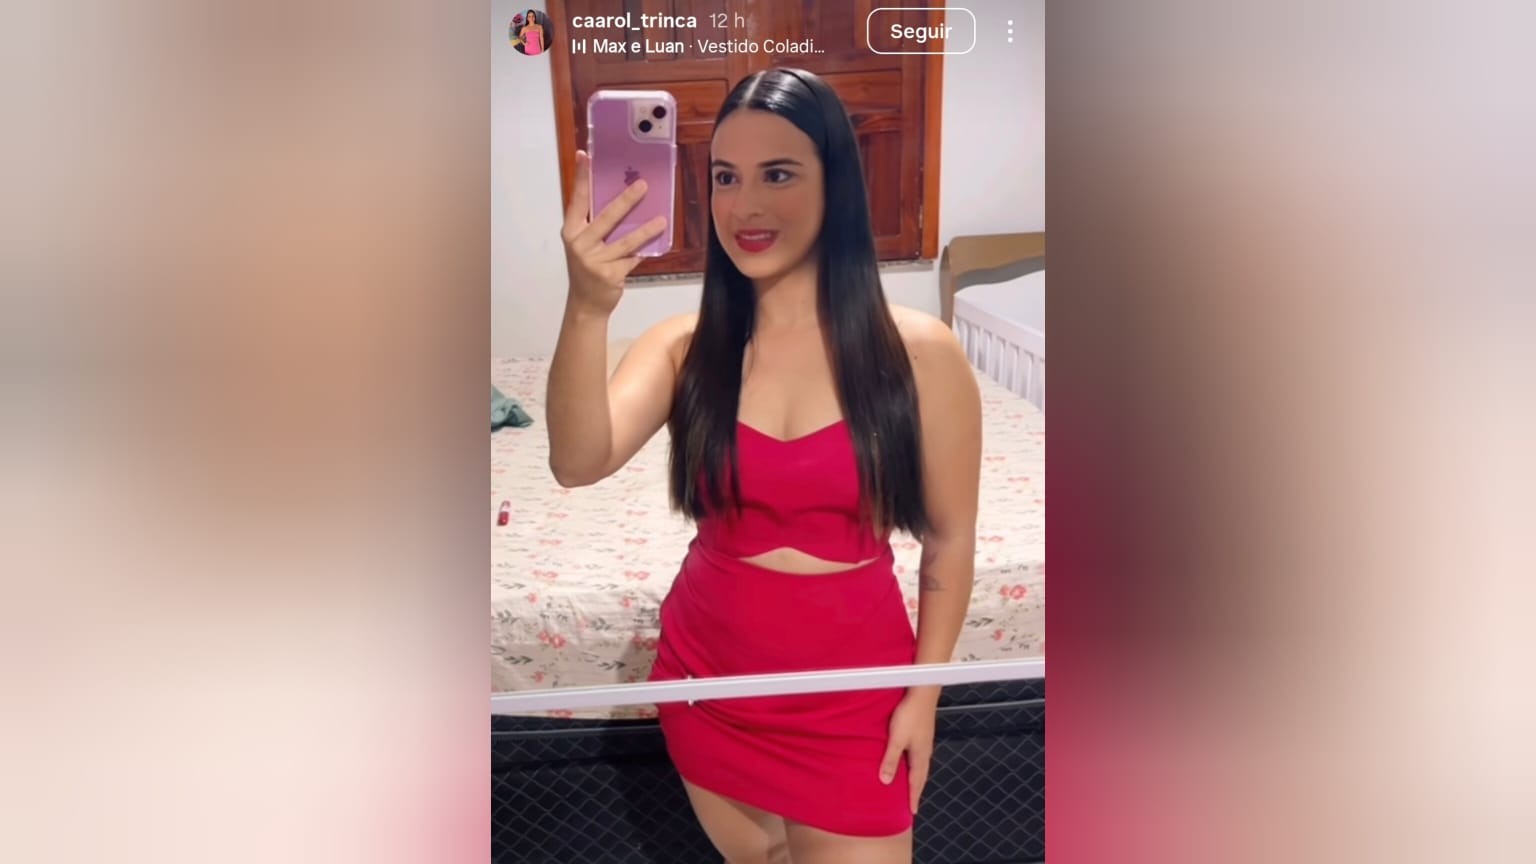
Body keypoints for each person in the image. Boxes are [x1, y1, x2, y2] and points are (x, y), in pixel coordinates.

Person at [545, 68, 981, 863]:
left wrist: (924, 697)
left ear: (835, 183)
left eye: (777, 174)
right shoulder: (684, 347)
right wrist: (587, 305)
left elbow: (950, 539)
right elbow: (577, 462)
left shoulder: (920, 353)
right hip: (711, 681)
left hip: (850, 700)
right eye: (725, 177)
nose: (744, 205)